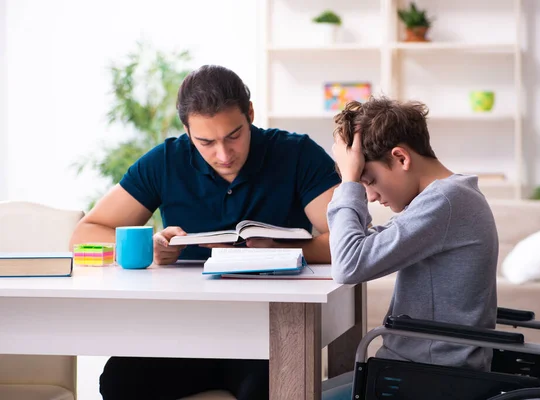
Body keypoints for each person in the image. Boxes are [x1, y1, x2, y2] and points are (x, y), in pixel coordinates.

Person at [69, 65, 341, 400]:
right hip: (186, 329)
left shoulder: (297, 153)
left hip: (268, 331)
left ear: (250, 114)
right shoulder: (165, 161)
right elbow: (85, 233)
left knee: (270, 385)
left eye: (234, 136)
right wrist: (150, 249)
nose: (223, 155)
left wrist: (280, 250)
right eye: (206, 142)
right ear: (186, 130)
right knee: (120, 381)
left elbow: (347, 239)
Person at [323, 97, 499, 399]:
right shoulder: (448, 198)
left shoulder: (445, 201)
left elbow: (348, 265)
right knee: (304, 387)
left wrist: (349, 181)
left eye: (370, 180)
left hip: (426, 378)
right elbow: (362, 246)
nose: (373, 197)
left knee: (296, 390)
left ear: (401, 158)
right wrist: (354, 183)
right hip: (420, 370)